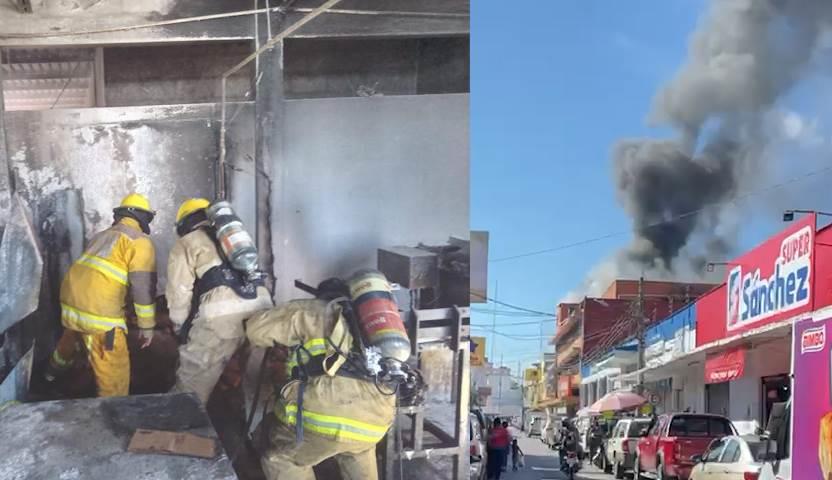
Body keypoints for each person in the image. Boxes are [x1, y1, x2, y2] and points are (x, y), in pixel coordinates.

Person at [246, 278, 397, 480]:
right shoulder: (370, 324)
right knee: (357, 448)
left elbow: (255, 330)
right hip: (375, 420)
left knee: (280, 458)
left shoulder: (313, 311)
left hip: (326, 414)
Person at [44, 193, 157, 397]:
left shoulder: (103, 235)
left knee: (70, 341)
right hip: (99, 316)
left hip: (71, 305)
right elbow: (142, 288)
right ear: (144, 218)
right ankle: (113, 411)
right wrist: (147, 327)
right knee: (114, 373)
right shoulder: (139, 242)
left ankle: (49, 376)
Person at [166, 198, 274, 404]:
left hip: (222, 316)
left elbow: (178, 293)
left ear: (183, 223)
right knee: (259, 382)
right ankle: (258, 430)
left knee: (191, 387)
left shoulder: (187, 242)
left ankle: (183, 433)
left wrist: (181, 328)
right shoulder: (235, 239)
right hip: (262, 310)